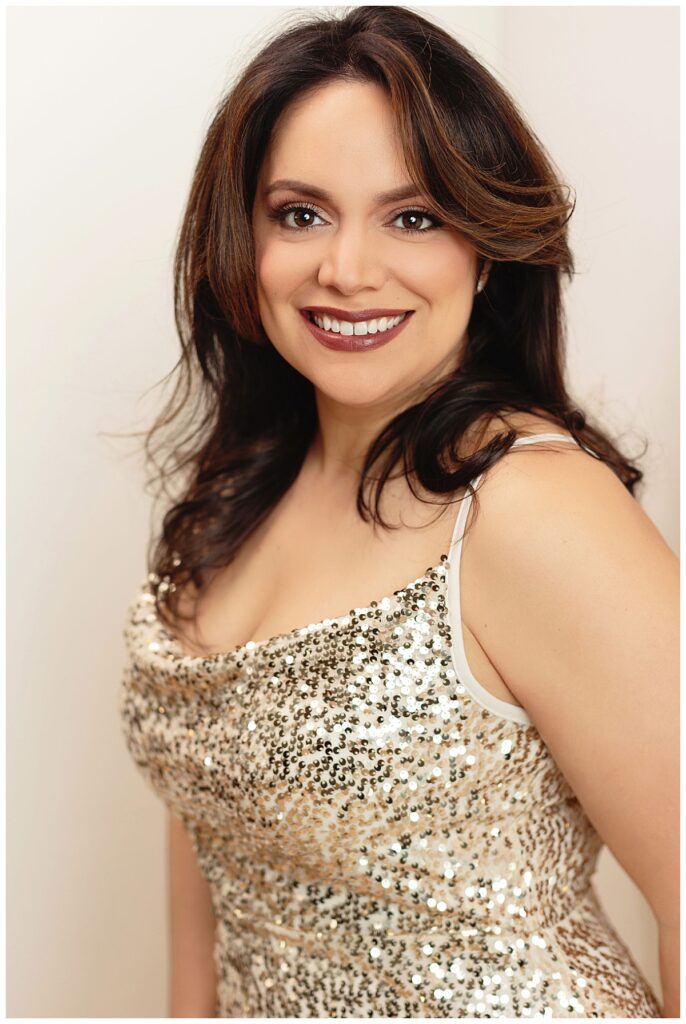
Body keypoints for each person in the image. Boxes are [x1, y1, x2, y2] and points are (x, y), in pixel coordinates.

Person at [119, 6, 678, 1018]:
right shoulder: (233, 493)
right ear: (240, 236)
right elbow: (213, 835)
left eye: (411, 216)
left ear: (485, 245)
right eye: (300, 213)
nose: (347, 269)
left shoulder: (530, 510)